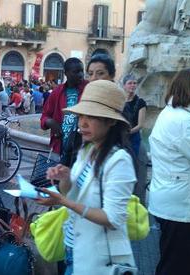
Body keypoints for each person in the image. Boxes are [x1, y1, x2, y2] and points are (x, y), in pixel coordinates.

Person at [37, 80, 137, 275]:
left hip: (98, 259)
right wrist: (64, 178)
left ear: (111, 121)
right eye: (81, 115)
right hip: (72, 246)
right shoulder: (87, 150)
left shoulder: (119, 161)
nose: (82, 122)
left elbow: (113, 218)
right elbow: (72, 195)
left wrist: (63, 200)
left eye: (91, 116)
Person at [149, 67, 190, 275]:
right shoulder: (185, 122)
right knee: (179, 266)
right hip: (183, 208)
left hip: (171, 202)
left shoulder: (173, 113)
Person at [40, 58, 88, 160]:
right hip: (59, 147)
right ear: (66, 73)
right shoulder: (57, 92)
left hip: (82, 149)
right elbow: (44, 116)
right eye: (76, 72)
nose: (80, 75)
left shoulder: (89, 88)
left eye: (81, 71)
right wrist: (50, 122)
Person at [122, 75, 146, 156]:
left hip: (133, 137)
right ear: (124, 85)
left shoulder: (140, 102)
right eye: (130, 83)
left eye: (135, 83)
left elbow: (140, 125)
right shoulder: (119, 101)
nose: (133, 85)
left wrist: (127, 133)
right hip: (120, 135)